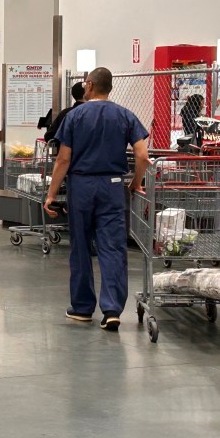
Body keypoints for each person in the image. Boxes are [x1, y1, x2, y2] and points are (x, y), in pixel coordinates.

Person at [43, 67, 150, 331]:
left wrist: (51, 194)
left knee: (80, 245)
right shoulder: (125, 115)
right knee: (113, 247)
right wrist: (136, 181)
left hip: (81, 185)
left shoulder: (75, 116)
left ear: (89, 85)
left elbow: (63, 159)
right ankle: (112, 309)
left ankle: (82, 308)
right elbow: (143, 155)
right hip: (112, 186)